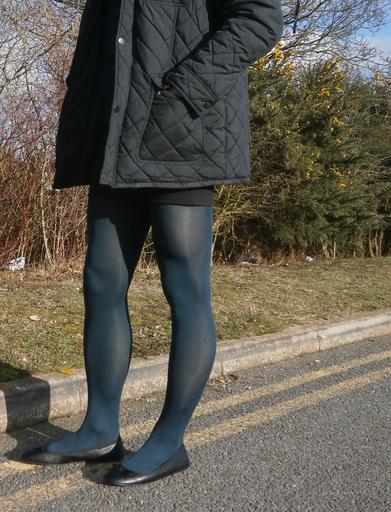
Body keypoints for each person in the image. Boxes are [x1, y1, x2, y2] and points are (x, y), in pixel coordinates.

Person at [20, 0, 284, 485]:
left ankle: (169, 442)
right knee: (101, 282)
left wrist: (185, 92)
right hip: (116, 135)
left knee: (185, 289)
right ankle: (100, 430)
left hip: (184, 135)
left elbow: (259, 20)